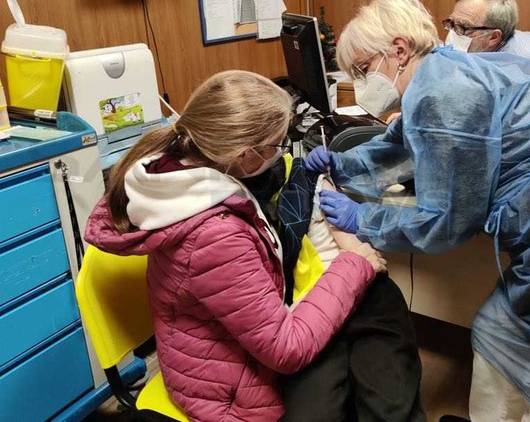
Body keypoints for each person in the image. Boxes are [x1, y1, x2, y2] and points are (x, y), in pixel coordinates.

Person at [306, 0, 530, 422]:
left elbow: (445, 223)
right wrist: (344, 166)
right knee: (497, 332)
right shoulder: (448, 72)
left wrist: (364, 218)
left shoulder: (445, 93)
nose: (361, 80)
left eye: (363, 69)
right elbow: (409, 149)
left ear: (400, 50)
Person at [84, 70, 387, 422]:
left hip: (207, 359)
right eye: (276, 146)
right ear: (245, 156)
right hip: (228, 398)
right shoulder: (216, 235)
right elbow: (287, 349)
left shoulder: (174, 174)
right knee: (347, 370)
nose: (280, 154)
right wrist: (354, 263)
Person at [242, 154, 426, 422]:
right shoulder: (232, 208)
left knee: (391, 407)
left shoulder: (303, 176)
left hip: (364, 293)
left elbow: (361, 252)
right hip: (305, 312)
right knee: (313, 413)